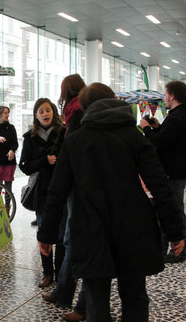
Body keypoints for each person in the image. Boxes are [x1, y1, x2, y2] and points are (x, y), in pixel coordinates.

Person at [38, 83, 185, 322]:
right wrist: (175, 230)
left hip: (91, 227)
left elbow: (57, 192)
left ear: (84, 108)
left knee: (96, 300)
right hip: (133, 226)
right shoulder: (135, 137)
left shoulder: (75, 141)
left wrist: (46, 235)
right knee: (135, 295)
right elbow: (159, 185)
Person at [42, 74, 87, 322]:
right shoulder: (76, 114)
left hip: (78, 188)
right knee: (71, 240)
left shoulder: (77, 114)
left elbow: (73, 155)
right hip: (79, 188)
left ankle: (78, 303)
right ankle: (64, 293)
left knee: (76, 241)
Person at [19, 98, 65, 288]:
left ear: (53, 112)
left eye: (47, 110)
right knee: (44, 233)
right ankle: (47, 273)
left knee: (62, 235)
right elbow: (24, 166)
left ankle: (61, 273)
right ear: (36, 115)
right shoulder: (30, 137)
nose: (45, 114)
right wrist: (44, 161)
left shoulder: (64, 133)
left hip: (62, 189)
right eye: (41, 111)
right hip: (42, 191)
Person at [139, 80, 186, 262]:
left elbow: (158, 143)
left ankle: (179, 249)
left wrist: (147, 129)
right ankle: (172, 247)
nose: (164, 98)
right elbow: (168, 138)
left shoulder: (176, 117)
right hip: (176, 169)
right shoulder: (178, 115)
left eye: (165, 94)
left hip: (172, 171)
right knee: (173, 207)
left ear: (172, 95)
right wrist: (158, 128)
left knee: (173, 208)